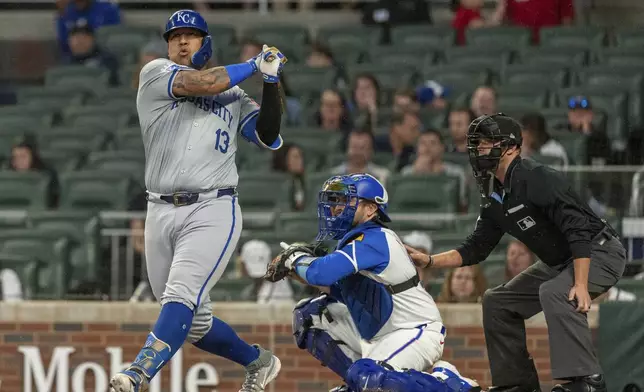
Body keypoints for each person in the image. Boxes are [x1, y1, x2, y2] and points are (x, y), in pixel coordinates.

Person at [109, 9, 287, 392]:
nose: (182, 42)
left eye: (190, 36)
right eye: (174, 37)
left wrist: (271, 82)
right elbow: (204, 83)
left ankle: (139, 372)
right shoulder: (155, 73)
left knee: (180, 297)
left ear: (206, 43)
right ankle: (259, 361)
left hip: (213, 207)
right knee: (193, 321)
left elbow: (268, 134)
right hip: (159, 209)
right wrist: (255, 63)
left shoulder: (235, 95)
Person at [405, 113, 627, 392]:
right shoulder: (494, 194)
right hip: (559, 261)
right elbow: (476, 248)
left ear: (510, 147)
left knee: (555, 292)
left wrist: (581, 284)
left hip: (599, 251)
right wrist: (429, 261)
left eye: (485, 143)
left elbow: (578, 228)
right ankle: (516, 384)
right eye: (476, 144)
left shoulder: (537, 177)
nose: (478, 150)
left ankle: (586, 381)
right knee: (498, 301)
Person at [269, 173, 480, 392]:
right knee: (310, 315)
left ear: (370, 209)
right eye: (336, 201)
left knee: (368, 378)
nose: (337, 207)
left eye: (346, 201)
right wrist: (298, 272)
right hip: (378, 332)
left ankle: (449, 384)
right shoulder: (353, 241)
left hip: (413, 330)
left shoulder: (377, 237)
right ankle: (358, 383)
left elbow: (321, 273)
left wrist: (294, 259)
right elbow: (344, 292)